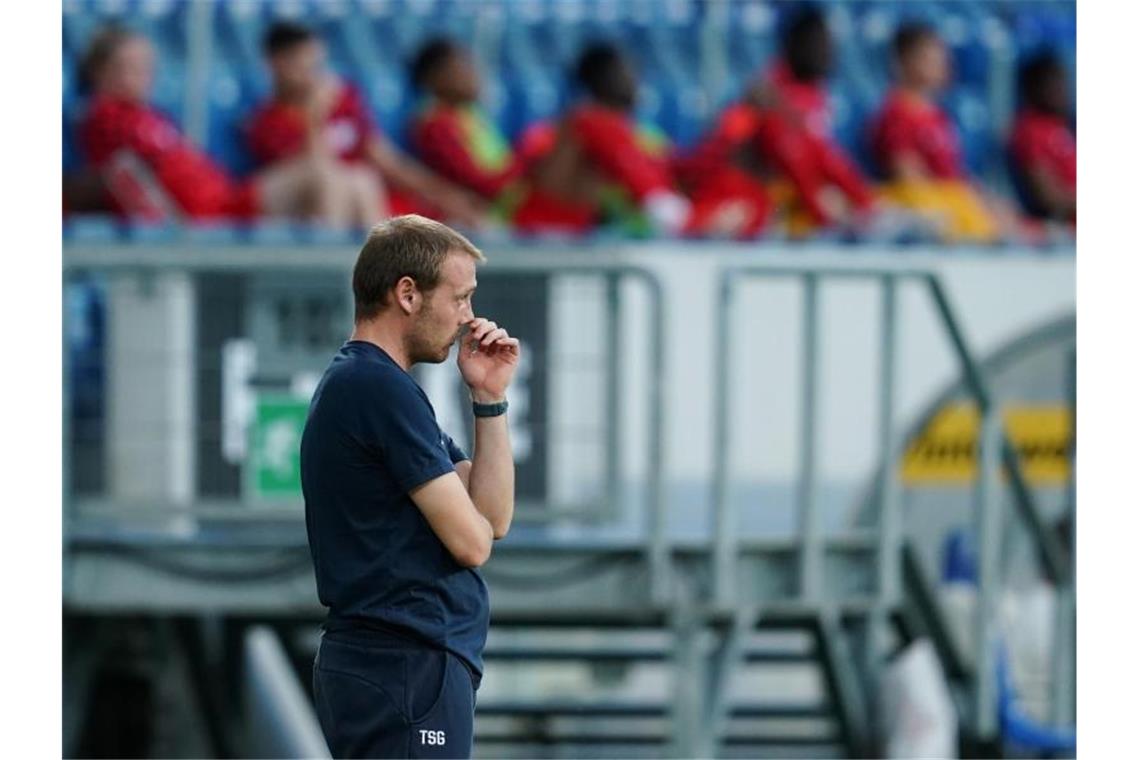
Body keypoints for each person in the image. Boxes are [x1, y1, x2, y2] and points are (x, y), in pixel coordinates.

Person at [301, 215, 518, 758]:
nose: (469, 318)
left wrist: (489, 399)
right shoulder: (374, 386)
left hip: (402, 665)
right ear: (407, 294)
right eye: (460, 298)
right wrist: (474, 530)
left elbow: (492, 517)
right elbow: (472, 544)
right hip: (401, 663)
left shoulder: (381, 385)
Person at [76, 25, 363, 226]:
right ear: (99, 72)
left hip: (224, 198)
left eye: (146, 67)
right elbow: (125, 180)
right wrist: (169, 229)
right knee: (319, 176)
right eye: (129, 67)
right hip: (205, 215)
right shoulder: (105, 118)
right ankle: (345, 293)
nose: (142, 76)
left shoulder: (152, 114)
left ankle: (381, 301)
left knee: (358, 181)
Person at [246, 22, 486, 229]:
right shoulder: (266, 121)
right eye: (303, 67)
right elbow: (315, 170)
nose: (313, 77)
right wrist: (315, 115)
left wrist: (448, 197)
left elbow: (388, 161)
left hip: (354, 198)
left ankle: (371, 274)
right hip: (299, 205)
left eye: (317, 67)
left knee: (364, 180)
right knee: (338, 180)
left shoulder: (344, 102)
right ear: (275, 65)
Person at [527, 42, 692, 236]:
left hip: (569, 232)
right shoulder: (591, 120)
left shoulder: (624, 128)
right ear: (605, 78)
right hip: (548, 233)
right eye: (626, 72)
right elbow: (650, 192)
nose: (635, 81)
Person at [745, 7, 878, 235]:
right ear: (796, 44)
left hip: (817, 194)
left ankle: (865, 212)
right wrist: (825, 210)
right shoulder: (772, 91)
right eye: (818, 42)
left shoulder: (816, 93)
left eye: (828, 43)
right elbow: (788, 155)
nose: (825, 51)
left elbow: (827, 158)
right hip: (777, 195)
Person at [868, 22, 1003, 242]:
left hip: (950, 199)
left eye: (942, 57)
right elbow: (907, 175)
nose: (942, 64)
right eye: (930, 58)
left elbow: (953, 173)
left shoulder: (940, 116)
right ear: (905, 61)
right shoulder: (897, 113)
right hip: (930, 206)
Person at [1008, 51, 1075, 225]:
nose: (1061, 90)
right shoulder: (1030, 130)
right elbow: (1049, 198)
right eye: (1053, 83)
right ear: (1035, 87)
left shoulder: (1064, 126)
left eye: (1062, 82)